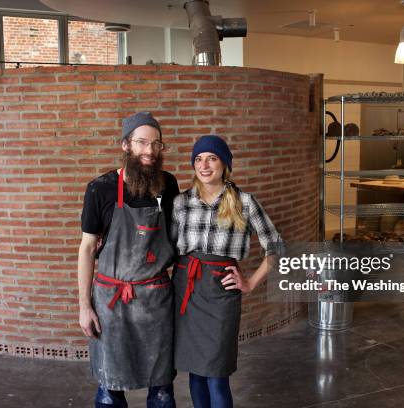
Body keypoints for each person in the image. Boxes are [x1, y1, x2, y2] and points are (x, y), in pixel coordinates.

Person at [171, 135, 281, 408]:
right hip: (187, 290)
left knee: (217, 375)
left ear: (225, 164)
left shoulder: (244, 202)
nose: (204, 165)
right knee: (195, 372)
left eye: (212, 158)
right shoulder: (181, 203)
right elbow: (166, 248)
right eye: (198, 159)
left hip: (222, 293)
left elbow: (276, 247)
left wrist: (251, 282)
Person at [78, 112, 179, 408]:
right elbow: (86, 249)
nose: (149, 151)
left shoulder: (169, 185)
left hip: (156, 303)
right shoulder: (100, 188)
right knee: (110, 393)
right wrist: (85, 307)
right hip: (111, 305)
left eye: (156, 144)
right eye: (141, 142)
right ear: (125, 145)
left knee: (162, 393)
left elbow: (177, 238)